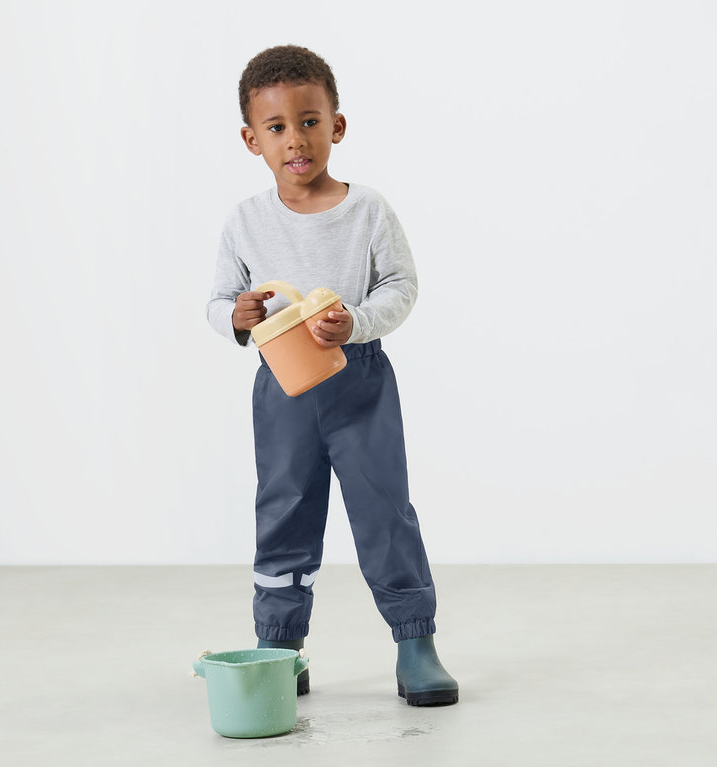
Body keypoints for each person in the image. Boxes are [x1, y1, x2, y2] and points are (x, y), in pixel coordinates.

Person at [206, 45, 459, 706]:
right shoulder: (245, 222)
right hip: (283, 389)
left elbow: (401, 285)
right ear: (251, 139)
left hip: (360, 382)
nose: (297, 139)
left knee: (384, 509)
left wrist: (359, 322)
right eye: (278, 127)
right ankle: (280, 645)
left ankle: (414, 640)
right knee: (284, 510)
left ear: (337, 125)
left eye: (311, 121)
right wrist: (237, 316)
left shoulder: (366, 210)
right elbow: (219, 300)